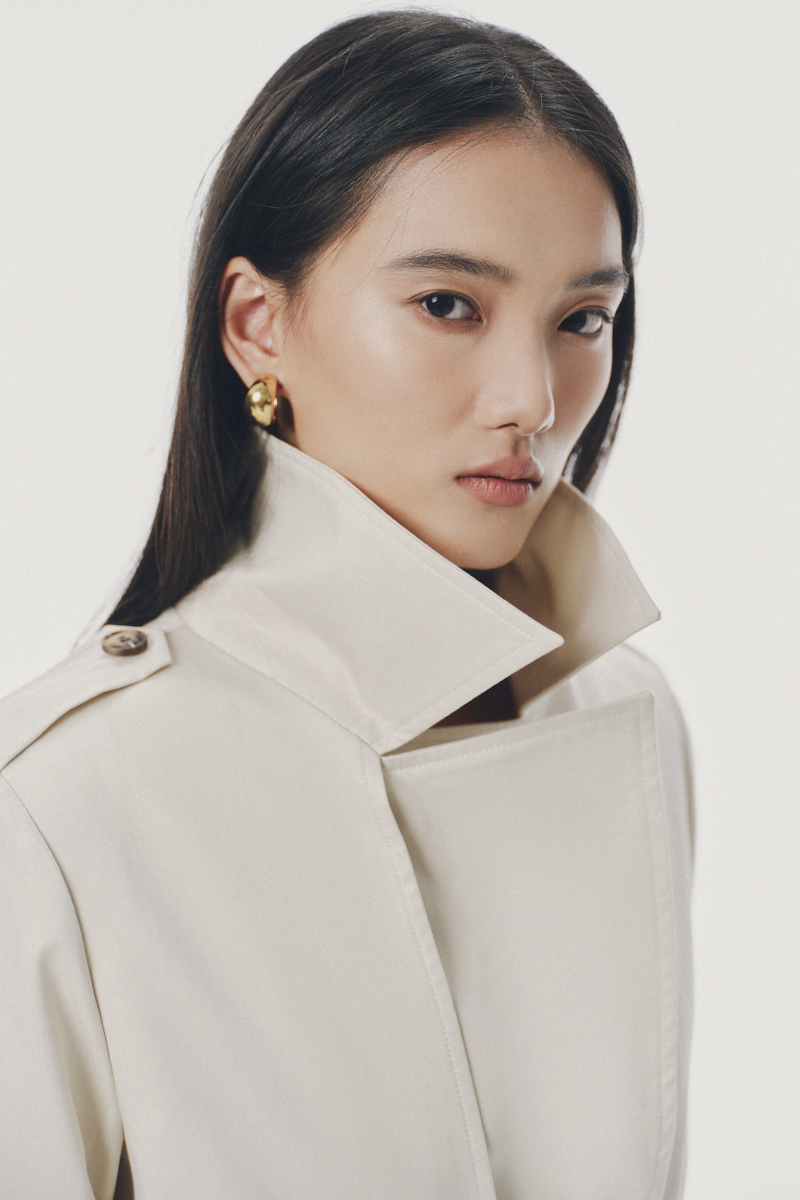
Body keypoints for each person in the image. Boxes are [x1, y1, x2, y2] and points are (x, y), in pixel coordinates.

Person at [0, 11, 693, 1199]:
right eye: (448, 305)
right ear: (256, 325)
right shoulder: (69, 798)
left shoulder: (621, 711)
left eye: (581, 319)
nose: (531, 399)